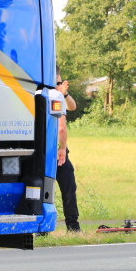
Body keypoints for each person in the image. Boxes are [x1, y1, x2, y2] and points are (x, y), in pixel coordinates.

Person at [54, 65, 80, 232]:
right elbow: (61, 129)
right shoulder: (55, 97)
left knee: (41, 189)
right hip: (58, 151)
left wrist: (64, 94)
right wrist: (62, 149)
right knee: (68, 188)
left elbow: (73, 106)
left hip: (41, 150)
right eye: (58, 81)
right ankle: (73, 227)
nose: (59, 84)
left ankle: (41, 229)